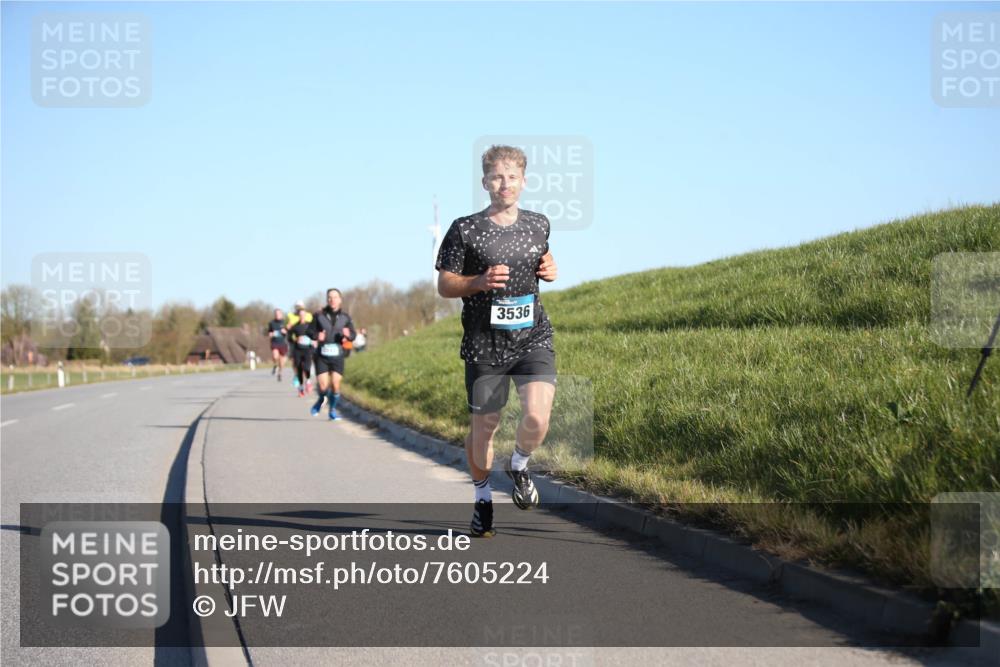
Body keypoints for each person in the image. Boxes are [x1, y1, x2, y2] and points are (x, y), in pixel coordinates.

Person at [436, 144, 559, 538]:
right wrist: (478, 281)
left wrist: (550, 267)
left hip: (532, 337)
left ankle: (519, 464)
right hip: (485, 345)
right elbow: (445, 284)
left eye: (512, 176)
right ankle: (483, 497)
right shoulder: (465, 229)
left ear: (524, 181)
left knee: (537, 417)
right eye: (496, 177)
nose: (505, 183)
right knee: (484, 429)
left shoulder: (539, 224)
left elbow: (543, 259)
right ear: (485, 182)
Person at [309, 288, 357, 421]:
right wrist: (317, 335)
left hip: (337, 356)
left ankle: (332, 410)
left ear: (340, 300)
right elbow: (309, 332)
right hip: (322, 356)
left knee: (335, 385)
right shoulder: (318, 315)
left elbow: (353, 334)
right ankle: (321, 400)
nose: (332, 300)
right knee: (323, 386)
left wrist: (348, 335)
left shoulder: (345, 317)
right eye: (330, 297)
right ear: (327, 300)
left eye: (335, 297)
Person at [285, 301, 313, 391]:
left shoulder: (310, 325)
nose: (302, 316)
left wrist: (312, 340)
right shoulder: (295, 325)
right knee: (298, 366)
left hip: (308, 348)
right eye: (300, 315)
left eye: (303, 314)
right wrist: (295, 339)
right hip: (297, 348)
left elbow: (315, 335)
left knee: (306, 367)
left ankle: (308, 381)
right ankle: (300, 386)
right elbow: (289, 336)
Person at [267, 308, 288, 381]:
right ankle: (275, 365)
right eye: (276, 314)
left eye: (279, 314)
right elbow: (269, 332)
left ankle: (280, 373)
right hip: (275, 342)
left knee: (282, 361)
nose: (277, 315)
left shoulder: (285, 322)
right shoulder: (271, 323)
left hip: (283, 343)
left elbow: (289, 331)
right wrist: (271, 334)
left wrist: (285, 331)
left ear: (281, 314)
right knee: (275, 356)